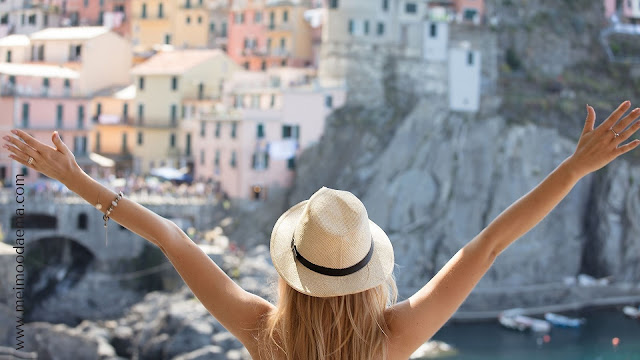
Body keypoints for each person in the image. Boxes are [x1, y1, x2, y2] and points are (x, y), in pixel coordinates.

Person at [2, 101, 640, 360]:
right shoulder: (394, 338)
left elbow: (173, 238)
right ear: (367, 272)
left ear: (291, 269)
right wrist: (576, 167)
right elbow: (490, 243)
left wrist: (80, 182)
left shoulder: (261, 334)